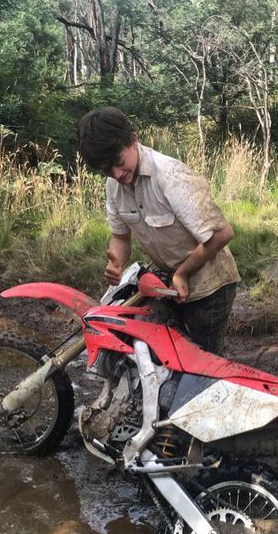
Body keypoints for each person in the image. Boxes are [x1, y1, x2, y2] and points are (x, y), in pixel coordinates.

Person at [77, 107, 240, 354]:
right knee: (168, 356)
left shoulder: (170, 176)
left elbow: (222, 234)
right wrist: (117, 263)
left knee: (203, 364)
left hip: (210, 285)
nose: (117, 175)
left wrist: (183, 272)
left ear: (133, 140)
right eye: (106, 171)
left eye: (119, 163)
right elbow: (120, 236)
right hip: (169, 283)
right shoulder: (114, 185)